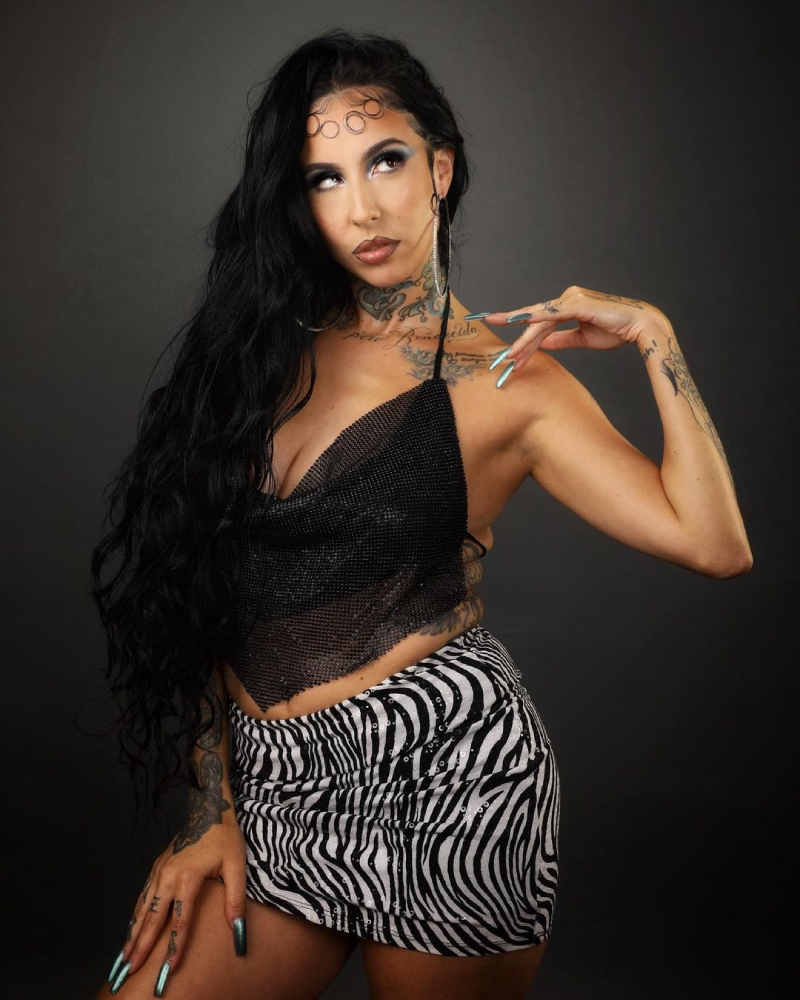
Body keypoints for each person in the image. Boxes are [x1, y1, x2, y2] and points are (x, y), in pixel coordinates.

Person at [91, 27, 752, 1000]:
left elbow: (713, 543)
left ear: (439, 168)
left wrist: (655, 335)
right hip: (275, 792)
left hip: (455, 786)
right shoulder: (255, 354)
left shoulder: (509, 384)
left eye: (386, 160)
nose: (362, 206)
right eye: (324, 177)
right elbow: (203, 595)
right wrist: (207, 812)